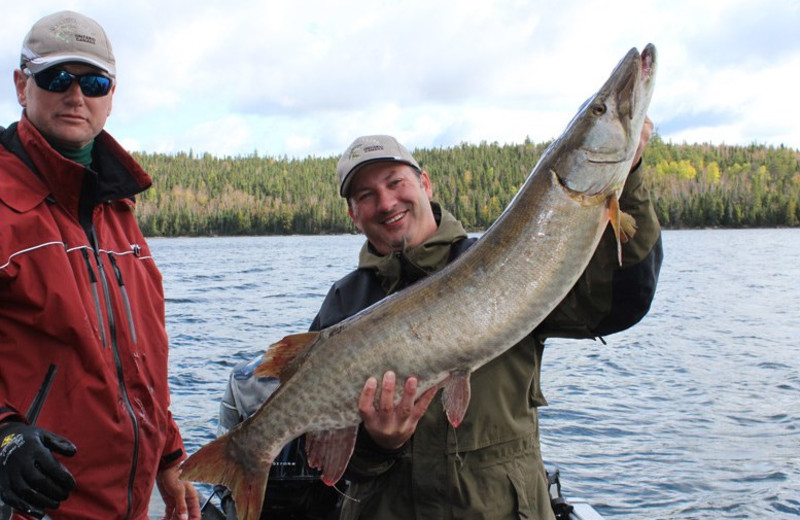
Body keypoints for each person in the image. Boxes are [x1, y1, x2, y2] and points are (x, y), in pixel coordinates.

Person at [308, 132, 663, 519]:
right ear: (353, 215)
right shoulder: (344, 304)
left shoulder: (515, 261)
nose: (387, 202)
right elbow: (322, 459)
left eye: (395, 182)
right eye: (365, 195)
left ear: (424, 184)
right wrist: (379, 445)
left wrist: (628, 178)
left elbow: (620, 304)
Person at [0, 11, 200, 520]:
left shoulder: (118, 213)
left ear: (111, 95)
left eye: (93, 82)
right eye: (56, 77)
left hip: (127, 503)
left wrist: (171, 454)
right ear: (22, 85)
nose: (76, 95)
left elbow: (141, 362)